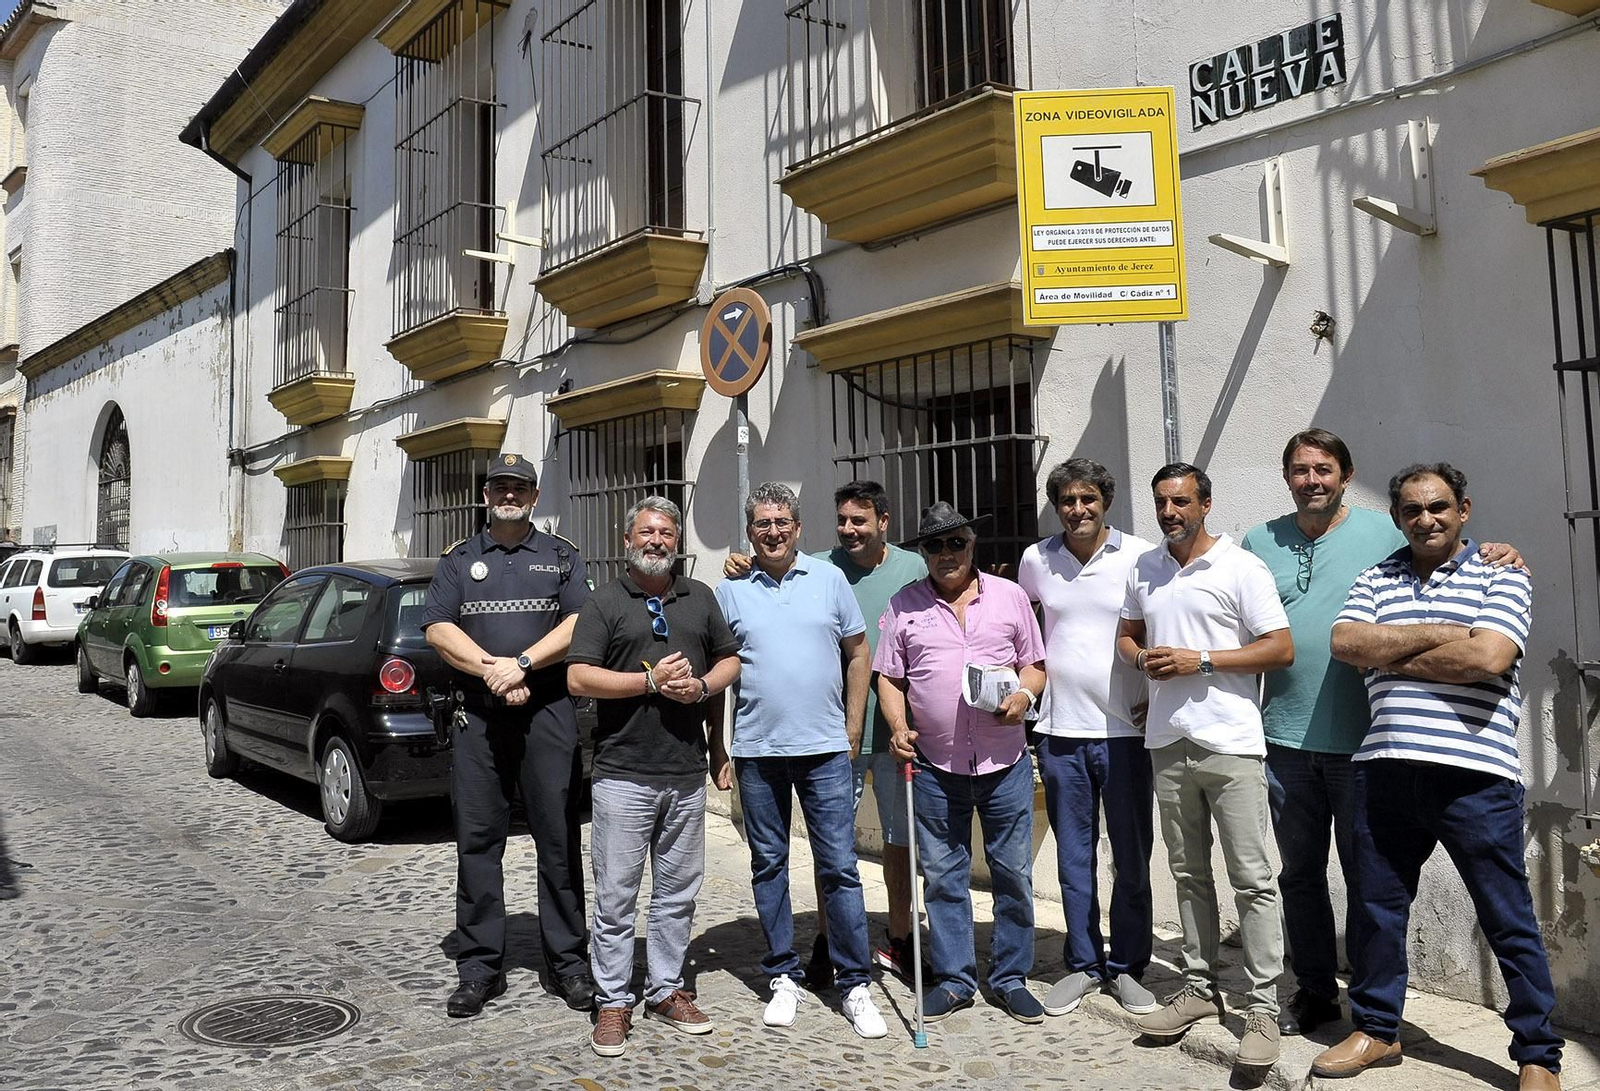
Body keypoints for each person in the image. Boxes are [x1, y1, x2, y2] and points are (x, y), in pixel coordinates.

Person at [1241, 430, 1523, 1036]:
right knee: (1299, 876)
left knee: (1372, 889)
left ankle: (1374, 1018)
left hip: (1370, 745)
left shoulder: (1384, 531)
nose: (1311, 479)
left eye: (1324, 469)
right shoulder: (1258, 541)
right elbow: (1243, 622)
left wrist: (1503, 553)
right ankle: (1316, 993)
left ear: (1346, 474)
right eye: (1299, 470)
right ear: (1286, 476)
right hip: (1285, 739)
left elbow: (1447, 551)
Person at [1316, 463, 1562, 1091]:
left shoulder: (1501, 573)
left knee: (1506, 916)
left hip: (1475, 778)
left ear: (1464, 510)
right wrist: (1442, 632)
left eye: (1439, 508)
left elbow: (1489, 657)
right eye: (1413, 510)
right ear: (1398, 517)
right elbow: (1346, 645)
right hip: (1383, 769)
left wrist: (1395, 646)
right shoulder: (1376, 576)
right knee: (1376, 911)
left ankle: (1538, 1055)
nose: (1427, 519)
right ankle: (1377, 1030)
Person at [1116, 462, 1293, 1068]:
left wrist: (1204, 662)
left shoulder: (1241, 567)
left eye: (1182, 502)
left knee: (1252, 877)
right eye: (1162, 503)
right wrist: (1142, 661)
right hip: (1167, 741)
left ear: (1206, 504)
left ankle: (1263, 1007)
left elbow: (1280, 646)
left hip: (1233, 743)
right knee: (1188, 873)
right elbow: (1127, 635)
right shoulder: (1146, 565)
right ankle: (1198, 988)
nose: (1170, 513)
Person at [724, 481, 927, 985]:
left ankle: (899, 938)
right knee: (832, 853)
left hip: (897, 728)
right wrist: (737, 564)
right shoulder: (821, 564)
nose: (849, 529)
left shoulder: (913, 567)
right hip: (832, 736)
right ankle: (828, 941)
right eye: (843, 520)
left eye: (859, 520)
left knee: (899, 841)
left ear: (884, 521)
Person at [567, 496, 742, 1057]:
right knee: (616, 898)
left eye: (667, 533)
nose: (657, 541)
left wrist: (703, 689)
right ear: (627, 540)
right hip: (623, 775)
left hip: (685, 772)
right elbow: (577, 678)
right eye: (647, 532)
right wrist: (648, 683)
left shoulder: (701, 598)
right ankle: (613, 1001)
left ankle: (666, 989)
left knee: (676, 894)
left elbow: (730, 660)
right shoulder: (605, 602)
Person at [422, 452, 595, 1018]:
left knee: (558, 840)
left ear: (535, 494)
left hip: (547, 711)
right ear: (487, 492)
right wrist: (493, 673)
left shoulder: (561, 556)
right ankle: (479, 969)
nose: (509, 494)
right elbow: (440, 629)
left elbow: (577, 625)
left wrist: (520, 664)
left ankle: (569, 965)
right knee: (477, 842)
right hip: (478, 714)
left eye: (519, 487)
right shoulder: (459, 558)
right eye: (500, 485)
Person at [879, 502, 1048, 1024]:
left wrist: (1023, 694)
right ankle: (955, 980)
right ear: (923, 553)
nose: (946, 554)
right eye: (935, 546)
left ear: (972, 545)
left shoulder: (1011, 597)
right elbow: (890, 677)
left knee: (1014, 875)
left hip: (1005, 762)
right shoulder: (903, 605)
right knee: (944, 878)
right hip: (934, 766)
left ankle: (1010, 977)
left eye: (956, 543)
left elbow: (1035, 665)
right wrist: (898, 725)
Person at [1017, 459, 1159, 1018]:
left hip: (1125, 732)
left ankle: (1127, 967)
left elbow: (1159, 624)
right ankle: (1081, 964)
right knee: (1073, 857)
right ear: (1056, 505)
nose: (1078, 509)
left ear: (1106, 501)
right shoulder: (1036, 559)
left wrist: (1154, 685)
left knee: (1131, 855)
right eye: (1067, 500)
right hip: (1058, 731)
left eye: (1088, 499)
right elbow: (1023, 629)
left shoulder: (1139, 554)